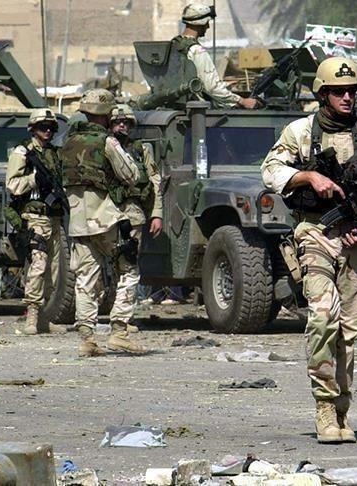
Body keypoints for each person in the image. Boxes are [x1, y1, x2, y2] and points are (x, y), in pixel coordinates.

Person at [260, 57, 357, 444]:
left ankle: (341, 409)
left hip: (355, 241)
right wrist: (308, 177)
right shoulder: (301, 132)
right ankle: (323, 405)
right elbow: (270, 171)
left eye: (352, 91)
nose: (347, 98)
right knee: (323, 318)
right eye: (338, 92)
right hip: (315, 233)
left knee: (348, 333)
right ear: (322, 94)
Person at [60, 89, 147, 356]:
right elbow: (131, 175)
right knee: (129, 271)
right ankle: (119, 332)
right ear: (107, 114)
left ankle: (87, 339)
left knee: (86, 279)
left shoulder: (68, 142)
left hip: (78, 221)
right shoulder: (107, 141)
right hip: (106, 219)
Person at [6, 108, 66, 334]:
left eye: (51, 128)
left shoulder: (54, 154)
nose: (47, 131)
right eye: (43, 127)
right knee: (38, 266)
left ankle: (44, 319)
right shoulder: (23, 153)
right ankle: (31, 317)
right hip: (34, 217)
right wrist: (33, 179)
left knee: (53, 271)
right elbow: (12, 185)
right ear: (33, 129)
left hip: (54, 218)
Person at [108, 103, 164, 333]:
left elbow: (155, 180)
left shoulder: (141, 149)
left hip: (133, 213)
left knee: (129, 265)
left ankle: (124, 317)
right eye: (117, 122)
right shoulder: (104, 147)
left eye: (126, 122)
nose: (122, 126)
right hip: (106, 213)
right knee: (108, 265)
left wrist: (157, 213)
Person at [174, 2, 259, 109]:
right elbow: (212, 88)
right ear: (200, 23)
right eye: (207, 23)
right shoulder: (197, 51)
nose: (208, 27)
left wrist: (224, 85)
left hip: (177, 105)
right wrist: (242, 101)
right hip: (198, 111)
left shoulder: (174, 45)